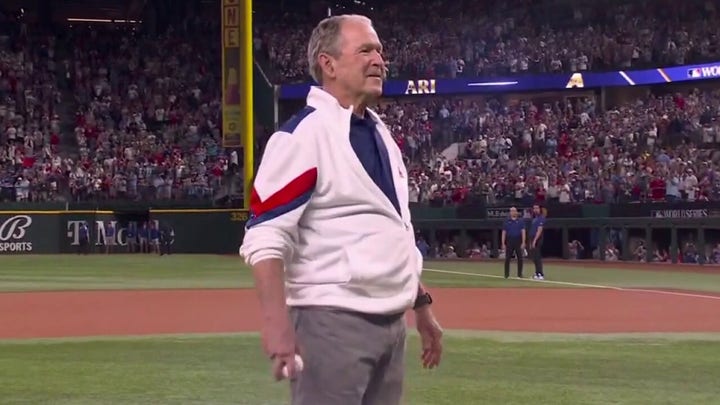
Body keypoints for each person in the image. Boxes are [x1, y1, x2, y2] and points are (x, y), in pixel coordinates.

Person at [239, 14, 443, 405]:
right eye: (365, 50)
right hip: (331, 322)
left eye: (380, 51)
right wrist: (276, 324)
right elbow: (265, 235)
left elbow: (392, 230)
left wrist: (421, 305)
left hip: (390, 322)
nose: (379, 60)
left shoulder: (380, 133)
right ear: (328, 65)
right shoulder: (304, 136)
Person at [501, 207, 526, 278]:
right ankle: (506, 274)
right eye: (511, 211)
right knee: (507, 258)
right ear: (510, 212)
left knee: (520, 258)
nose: (513, 212)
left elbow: (523, 232)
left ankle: (520, 274)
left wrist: (523, 242)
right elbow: (504, 233)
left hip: (518, 240)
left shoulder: (521, 221)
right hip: (509, 240)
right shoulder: (506, 221)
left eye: (514, 211)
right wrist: (503, 243)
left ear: (516, 212)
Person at [529, 204, 546, 280]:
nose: (535, 210)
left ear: (540, 209)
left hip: (537, 238)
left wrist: (535, 240)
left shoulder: (541, 218)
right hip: (532, 238)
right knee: (534, 257)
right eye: (534, 208)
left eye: (537, 208)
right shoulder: (534, 218)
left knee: (537, 257)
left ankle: (540, 274)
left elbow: (539, 230)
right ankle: (536, 273)